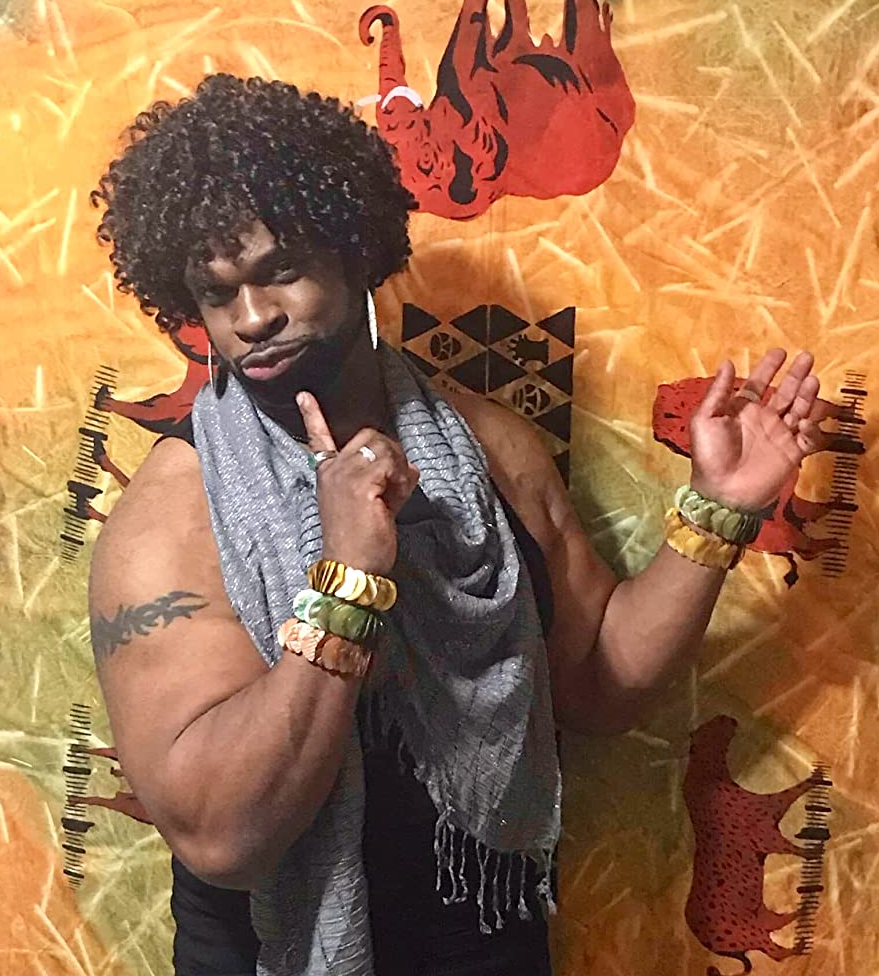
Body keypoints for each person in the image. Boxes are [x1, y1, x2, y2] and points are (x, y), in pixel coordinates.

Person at [88, 74, 830, 976]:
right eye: (218, 294)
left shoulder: (491, 447)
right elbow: (221, 840)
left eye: (282, 271)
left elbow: (598, 685)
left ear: (356, 252)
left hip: (484, 935)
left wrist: (721, 509)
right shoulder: (172, 516)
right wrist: (347, 581)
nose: (253, 319)